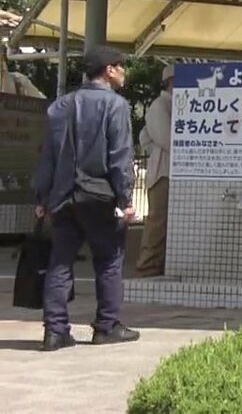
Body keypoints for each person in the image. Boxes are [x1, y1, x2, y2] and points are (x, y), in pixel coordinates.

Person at [32, 45, 140, 351]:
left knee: (60, 262)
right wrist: (125, 198)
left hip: (62, 197)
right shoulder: (115, 105)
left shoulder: (59, 106)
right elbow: (120, 156)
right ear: (109, 70)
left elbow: (48, 157)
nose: (124, 72)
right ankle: (106, 326)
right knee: (109, 260)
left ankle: (55, 332)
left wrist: (42, 197)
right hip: (99, 196)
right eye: (121, 66)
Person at [134, 63, 174, 277]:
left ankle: (156, 263)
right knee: (158, 220)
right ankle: (147, 265)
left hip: (166, 169)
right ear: (170, 83)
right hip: (163, 172)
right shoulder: (161, 105)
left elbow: (145, 136)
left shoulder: (167, 104)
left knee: (163, 220)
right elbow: (166, 139)